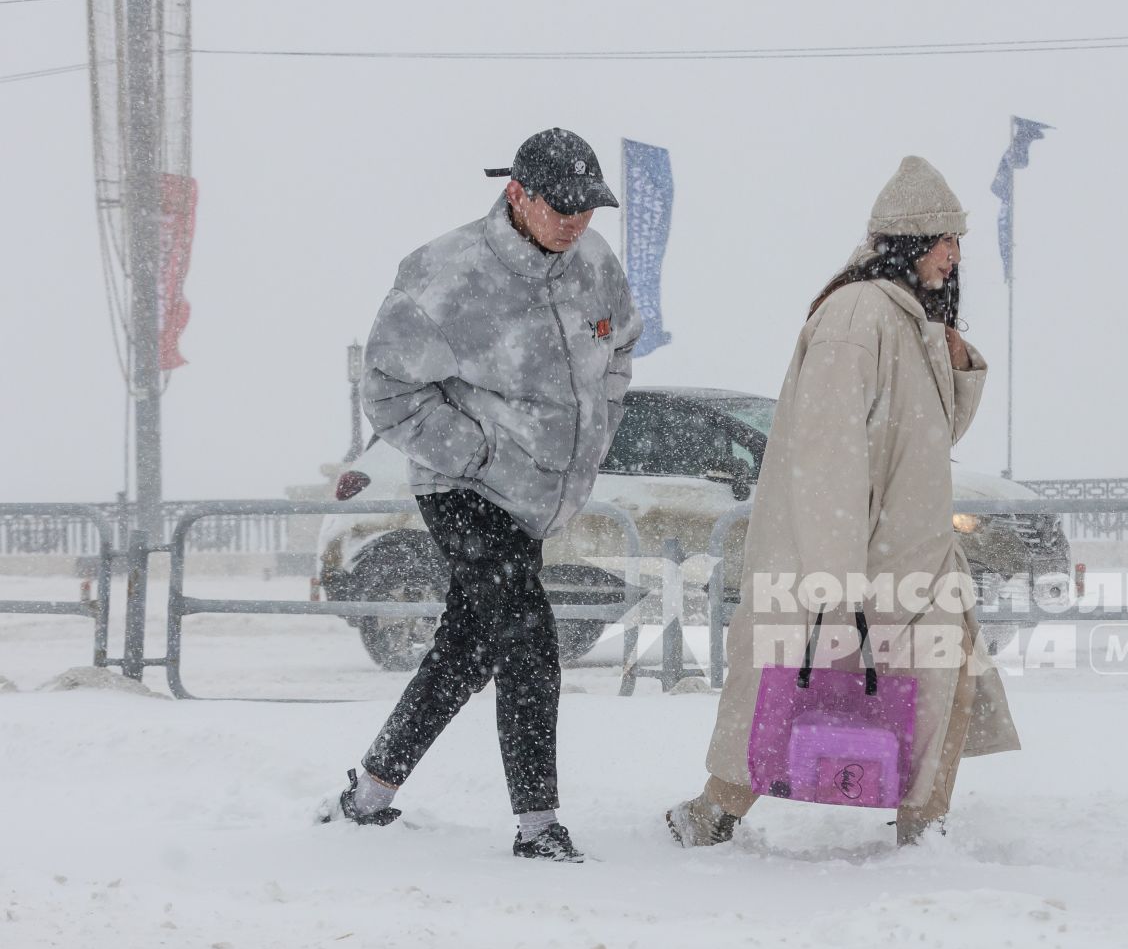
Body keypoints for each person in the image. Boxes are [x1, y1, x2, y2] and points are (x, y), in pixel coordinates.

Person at [665, 156, 1021, 850]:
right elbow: (827, 452)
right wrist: (834, 573)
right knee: (790, 692)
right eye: (947, 239)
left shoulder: (908, 320)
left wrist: (954, 359)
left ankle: (923, 827)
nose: (955, 256)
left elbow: (931, 435)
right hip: (870, 558)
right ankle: (714, 812)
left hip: (914, 553)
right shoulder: (857, 319)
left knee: (945, 686)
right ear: (912, 239)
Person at [316, 127, 639, 863]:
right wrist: (481, 452)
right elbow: (388, 391)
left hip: (537, 491)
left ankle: (368, 793)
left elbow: (619, 345)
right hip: (462, 487)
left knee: (465, 648)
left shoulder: (592, 262)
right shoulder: (446, 275)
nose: (578, 222)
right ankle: (538, 827)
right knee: (527, 637)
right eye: (563, 207)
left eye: (589, 208)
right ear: (517, 194)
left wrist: (602, 420)